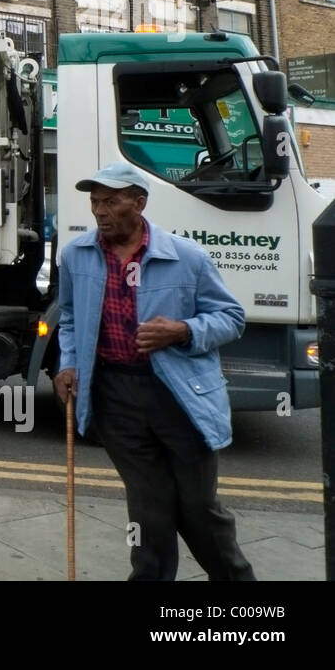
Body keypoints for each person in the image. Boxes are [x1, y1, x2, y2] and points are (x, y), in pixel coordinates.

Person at [54, 161, 255, 580]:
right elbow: (69, 318)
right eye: (94, 202)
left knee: (200, 509)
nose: (100, 211)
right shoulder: (76, 255)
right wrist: (68, 363)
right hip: (115, 396)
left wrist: (183, 330)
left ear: (139, 202)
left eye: (111, 201)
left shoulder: (187, 257)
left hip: (179, 395)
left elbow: (232, 317)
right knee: (149, 510)